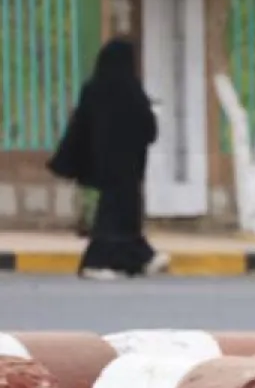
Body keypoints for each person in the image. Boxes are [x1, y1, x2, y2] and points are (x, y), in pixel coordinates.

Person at [47, 37, 168, 281]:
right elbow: (149, 130)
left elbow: (80, 126)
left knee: (120, 215)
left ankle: (139, 259)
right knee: (117, 215)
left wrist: (70, 160)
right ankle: (97, 262)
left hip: (103, 165)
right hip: (129, 167)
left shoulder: (93, 89)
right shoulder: (132, 90)